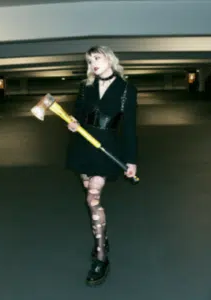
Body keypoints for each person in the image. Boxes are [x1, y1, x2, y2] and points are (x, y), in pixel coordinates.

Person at [66, 45, 138, 286]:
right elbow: (77, 114)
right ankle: (102, 235)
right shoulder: (85, 87)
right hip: (83, 147)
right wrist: (73, 124)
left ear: (109, 58)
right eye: (89, 61)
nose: (93, 64)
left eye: (97, 58)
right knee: (89, 194)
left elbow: (128, 127)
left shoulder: (127, 89)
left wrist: (131, 160)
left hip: (106, 148)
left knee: (92, 199)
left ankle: (101, 257)